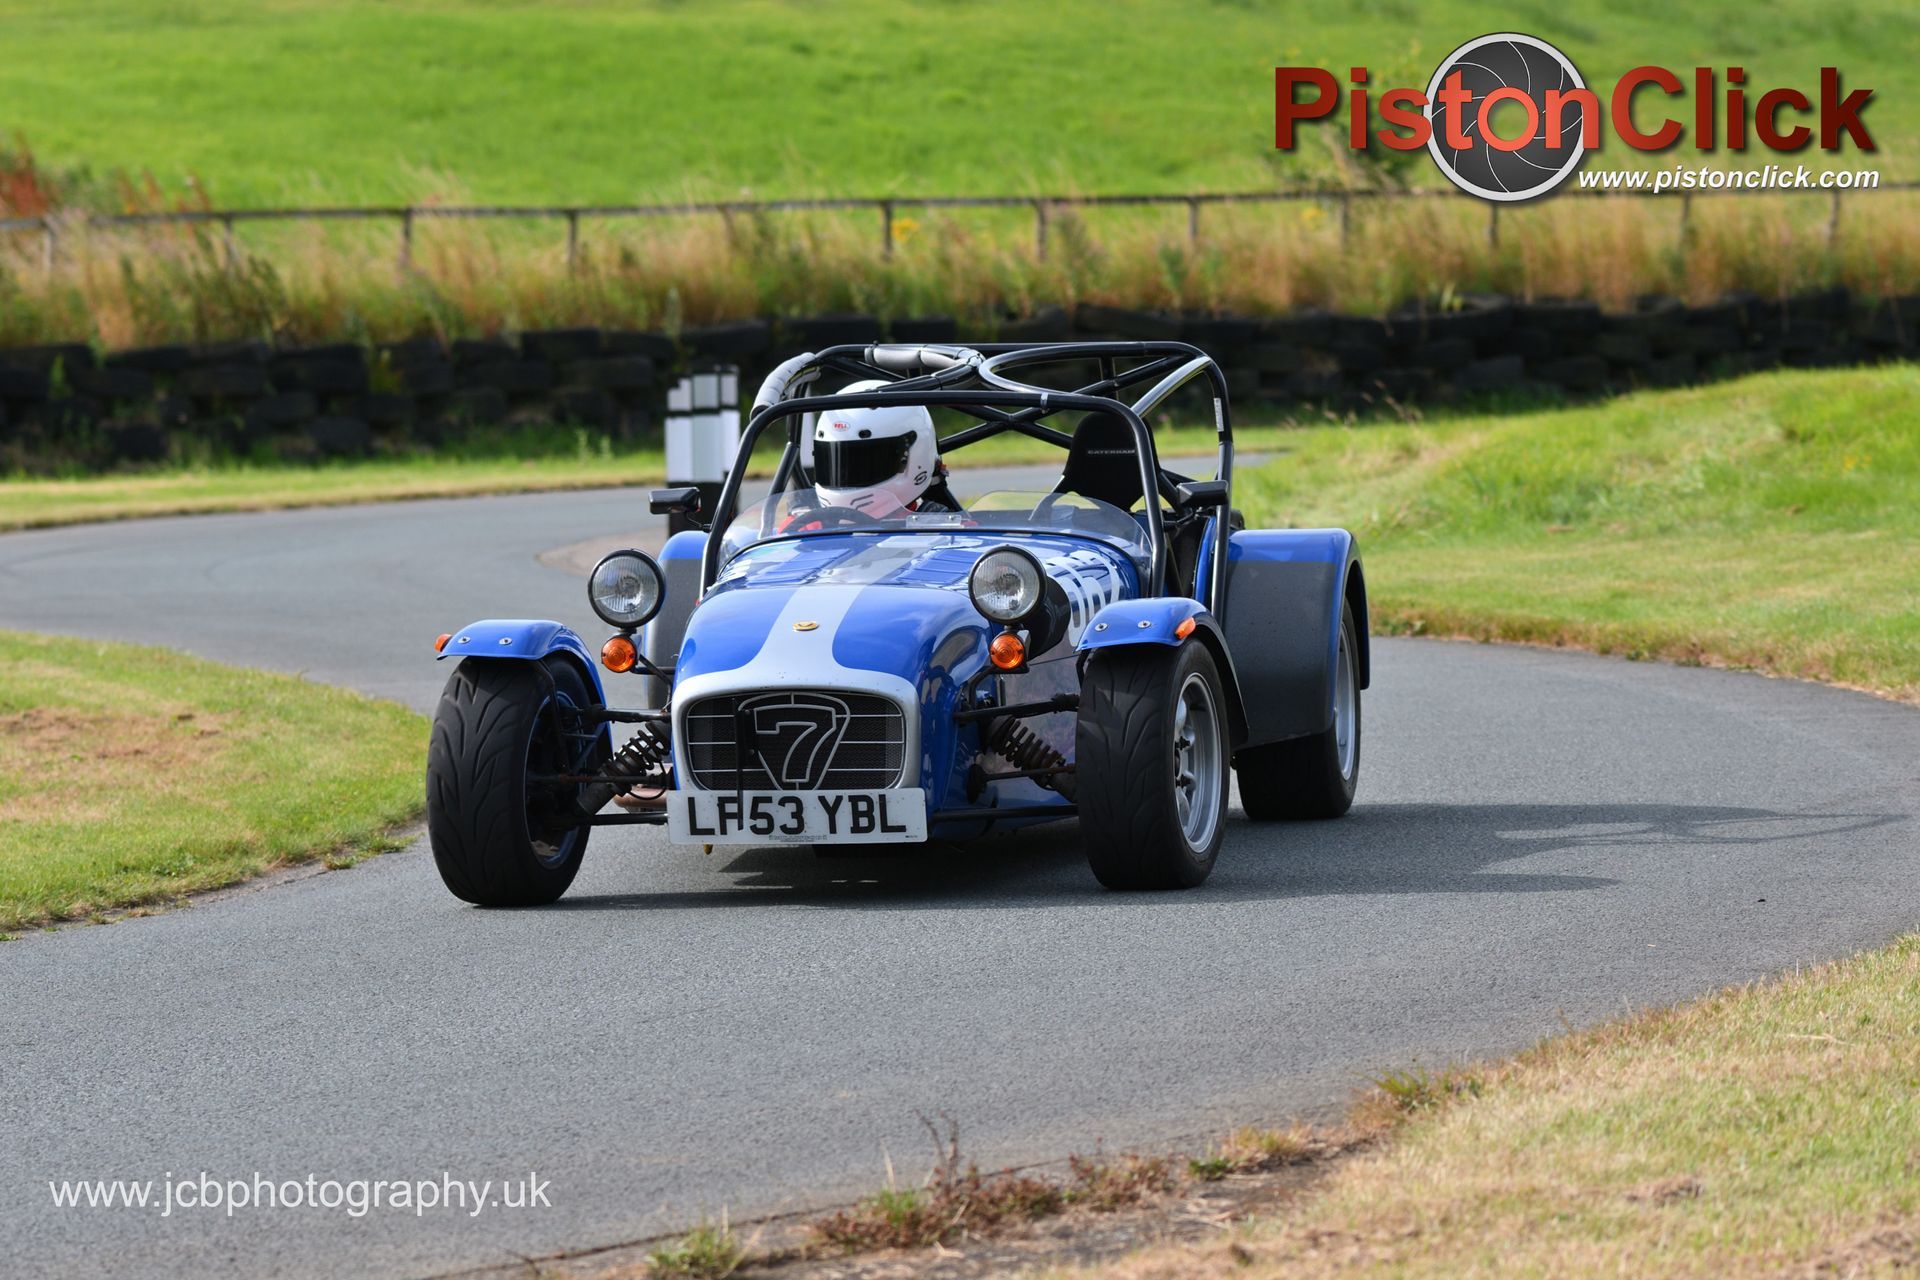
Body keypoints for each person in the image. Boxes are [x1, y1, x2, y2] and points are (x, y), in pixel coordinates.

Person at [807, 380, 959, 516]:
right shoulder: (807, 527)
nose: (846, 475)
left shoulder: (948, 531)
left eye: (865, 463)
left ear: (913, 460)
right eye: (831, 462)